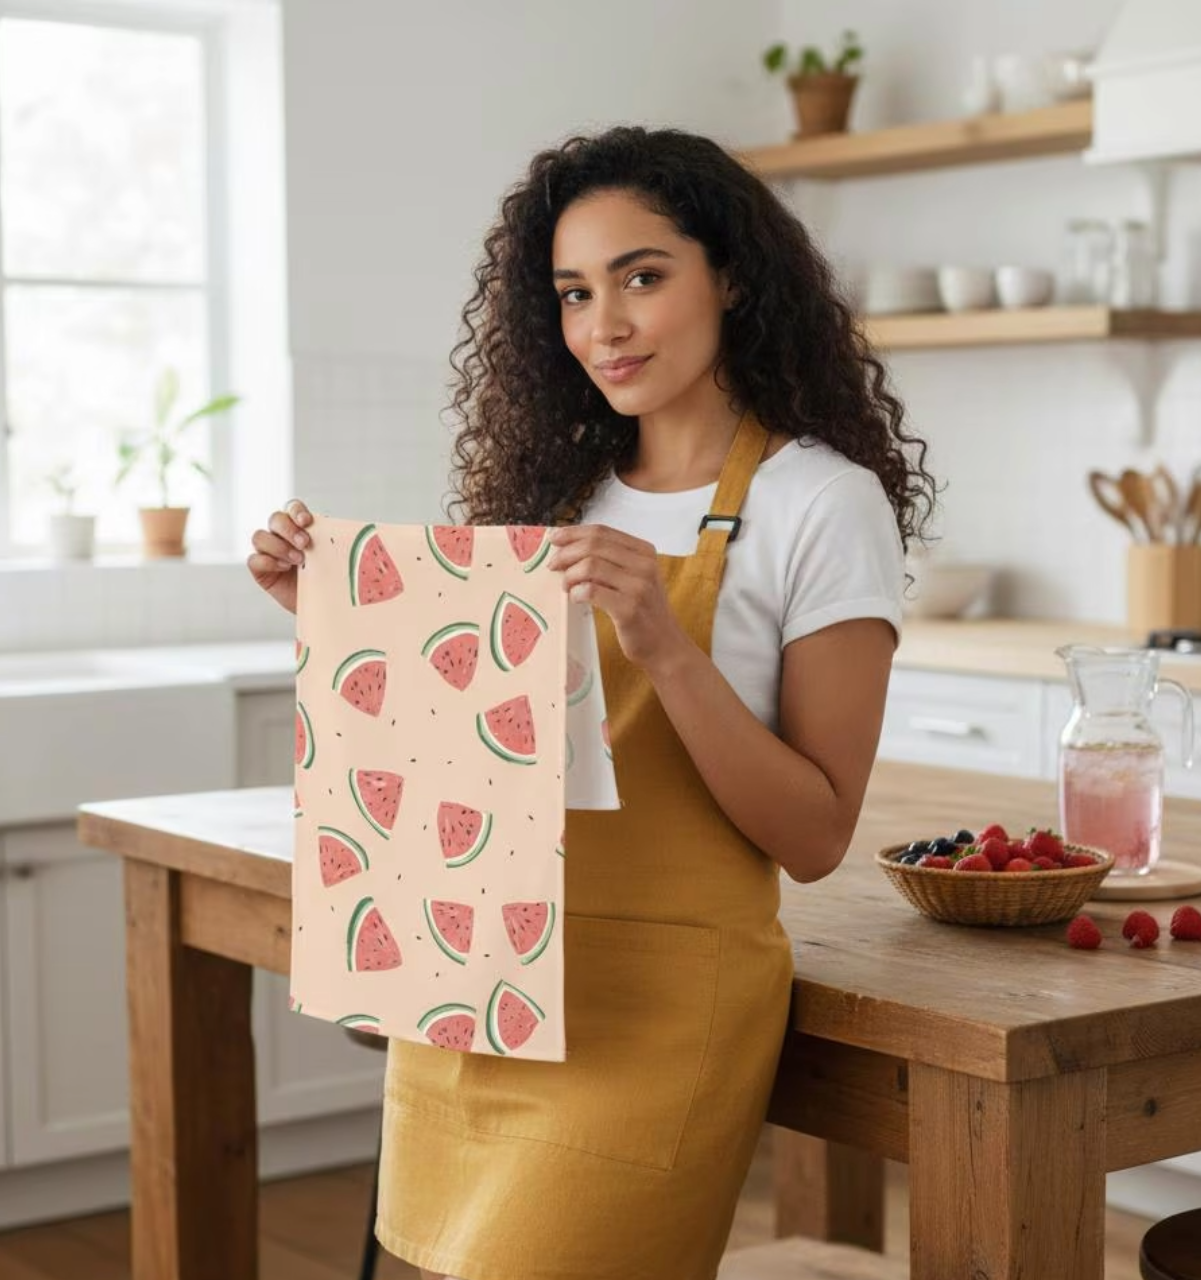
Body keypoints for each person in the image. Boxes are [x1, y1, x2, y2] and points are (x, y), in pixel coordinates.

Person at [248, 125, 935, 1280]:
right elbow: (463, 755)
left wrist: (664, 643)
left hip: (655, 1012)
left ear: (730, 276)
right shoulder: (556, 494)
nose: (602, 324)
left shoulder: (821, 503)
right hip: (486, 974)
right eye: (573, 292)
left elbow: (816, 836)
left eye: (641, 277)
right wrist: (330, 612)